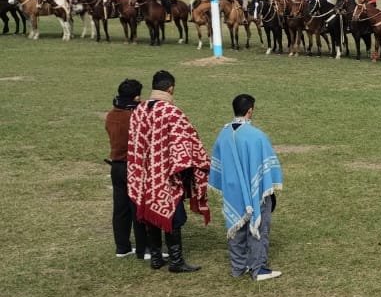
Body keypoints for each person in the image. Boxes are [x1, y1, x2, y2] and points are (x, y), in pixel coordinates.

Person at [127, 70, 210, 273]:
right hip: (166, 176)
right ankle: (176, 261)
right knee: (174, 216)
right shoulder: (172, 113)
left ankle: (156, 257)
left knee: (150, 215)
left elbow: (135, 144)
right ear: (170, 88)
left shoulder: (139, 110)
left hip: (145, 175)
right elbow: (189, 142)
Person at [209, 94, 283, 282]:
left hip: (232, 190)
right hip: (254, 189)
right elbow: (267, 166)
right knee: (258, 225)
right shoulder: (256, 136)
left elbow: (217, 165)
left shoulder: (223, 134)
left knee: (236, 226)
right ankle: (258, 268)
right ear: (250, 110)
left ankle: (238, 267)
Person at [106, 78, 147, 260]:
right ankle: (143, 248)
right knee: (137, 208)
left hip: (116, 165)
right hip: (132, 166)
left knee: (120, 209)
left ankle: (122, 247)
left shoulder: (111, 115)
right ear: (136, 97)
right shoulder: (133, 117)